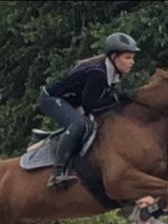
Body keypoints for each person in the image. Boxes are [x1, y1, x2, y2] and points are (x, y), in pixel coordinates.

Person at [37, 32, 140, 190]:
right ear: (113, 56)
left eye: (132, 58)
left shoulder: (111, 74)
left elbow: (107, 100)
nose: (132, 62)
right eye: (127, 57)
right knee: (79, 124)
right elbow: (91, 104)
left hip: (72, 101)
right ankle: (57, 174)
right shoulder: (98, 73)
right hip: (51, 99)